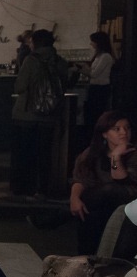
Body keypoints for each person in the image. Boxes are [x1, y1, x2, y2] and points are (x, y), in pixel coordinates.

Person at [10, 28, 73, 199]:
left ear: (35, 43)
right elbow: (63, 86)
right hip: (50, 115)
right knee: (45, 154)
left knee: (25, 153)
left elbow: (20, 86)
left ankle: (24, 189)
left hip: (26, 114)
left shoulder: (31, 60)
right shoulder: (61, 62)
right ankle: (43, 189)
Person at [69, 111, 137, 254]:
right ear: (105, 134)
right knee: (90, 213)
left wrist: (116, 157)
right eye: (117, 129)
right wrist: (74, 198)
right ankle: (87, 257)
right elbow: (81, 179)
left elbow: (121, 181)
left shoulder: (134, 152)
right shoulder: (93, 152)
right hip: (100, 203)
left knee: (108, 189)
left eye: (127, 128)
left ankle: (61, 216)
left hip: (129, 197)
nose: (124, 132)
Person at [79, 31, 115, 133]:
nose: (91, 44)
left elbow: (94, 74)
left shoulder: (106, 57)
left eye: (92, 41)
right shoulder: (99, 56)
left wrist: (82, 69)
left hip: (101, 88)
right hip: (95, 87)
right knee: (92, 113)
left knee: (96, 113)